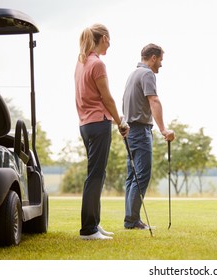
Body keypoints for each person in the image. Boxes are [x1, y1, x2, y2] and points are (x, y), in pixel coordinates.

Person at [75, 24, 129, 240]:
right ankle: (88, 229)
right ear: (104, 38)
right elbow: (107, 98)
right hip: (98, 123)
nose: (111, 44)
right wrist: (120, 122)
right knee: (95, 175)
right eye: (110, 39)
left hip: (86, 125)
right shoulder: (97, 64)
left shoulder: (81, 63)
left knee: (97, 174)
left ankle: (94, 224)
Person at [122, 43, 175, 230]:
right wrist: (163, 130)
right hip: (139, 131)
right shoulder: (147, 74)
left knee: (132, 176)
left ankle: (130, 219)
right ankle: (133, 221)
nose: (161, 64)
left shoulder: (133, 74)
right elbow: (154, 100)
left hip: (129, 131)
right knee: (141, 176)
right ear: (153, 58)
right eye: (160, 59)